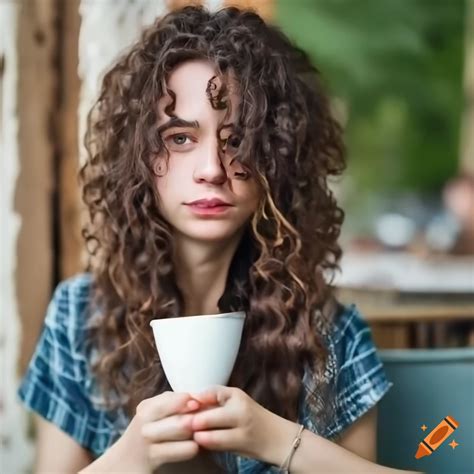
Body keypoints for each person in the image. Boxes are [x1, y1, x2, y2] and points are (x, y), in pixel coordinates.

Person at [18, 6, 415, 473]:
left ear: (277, 158)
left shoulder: (329, 334)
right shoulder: (81, 318)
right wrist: (131, 456)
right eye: (180, 138)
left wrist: (278, 440)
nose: (211, 169)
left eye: (237, 140)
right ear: (138, 157)